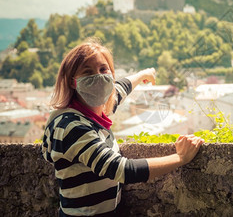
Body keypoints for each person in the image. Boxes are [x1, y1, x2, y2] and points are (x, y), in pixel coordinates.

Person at [41, 38, 204, 216]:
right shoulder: (71, 127)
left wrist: (143, 75)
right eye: (87, 72)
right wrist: (181, 158)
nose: (99, 77)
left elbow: (119, 89)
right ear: (73, 81)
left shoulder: (91, 110)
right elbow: (122, 170)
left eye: (103, 69)